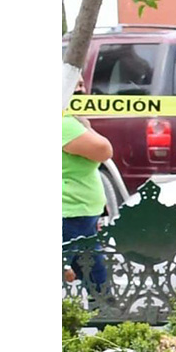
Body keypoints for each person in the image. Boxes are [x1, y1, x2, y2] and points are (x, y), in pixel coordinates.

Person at [63, 77, 113, 299]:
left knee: (94, 279)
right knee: (96, 282)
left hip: (80, 213)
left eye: (82, 83)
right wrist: (84, 124)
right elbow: (103, 150)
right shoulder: (64, 123)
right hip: (71, 213)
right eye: (76, 83)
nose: (82, 88)